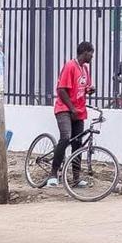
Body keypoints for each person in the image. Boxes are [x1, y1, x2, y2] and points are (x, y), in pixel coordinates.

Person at [48, 41, 95, 188]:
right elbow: (61, 90)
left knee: (77, 143)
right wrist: (71, 108)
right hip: (64, 108)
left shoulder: (85, 69)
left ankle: (76, 178)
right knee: (66, 137)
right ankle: (53, 174)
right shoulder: (70, 66)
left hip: (79, 110)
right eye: (91, 53)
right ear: (85, 52)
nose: (92, 56)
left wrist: (89, 90)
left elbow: (82, 87)